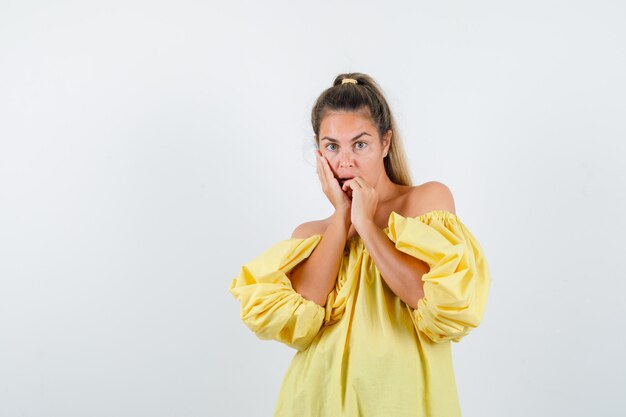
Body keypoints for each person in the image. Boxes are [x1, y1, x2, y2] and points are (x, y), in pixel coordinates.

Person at [228, 72, 491, 417]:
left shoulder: (425, 202)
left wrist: (366, 225)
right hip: (316, 402)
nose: (345, 161)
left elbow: (432, 302)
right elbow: (301, 320)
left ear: (385, 143)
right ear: (318, 150)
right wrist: (342, 218)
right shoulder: (311, 234)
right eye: (332, 146)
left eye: (360, 144)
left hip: (403, 403)